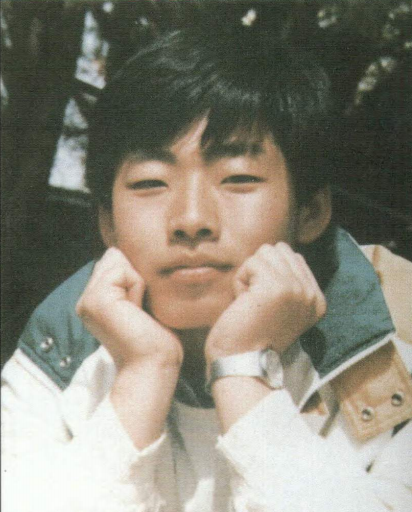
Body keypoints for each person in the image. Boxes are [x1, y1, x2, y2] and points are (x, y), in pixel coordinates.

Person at [2, 24, 412, 512]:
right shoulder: (59, 353)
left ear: (310, 211)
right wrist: (143, 373)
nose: (191, 219)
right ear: (107, 223)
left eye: (238, 178)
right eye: (150, 183)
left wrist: (242, 367)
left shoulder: (396, 347)